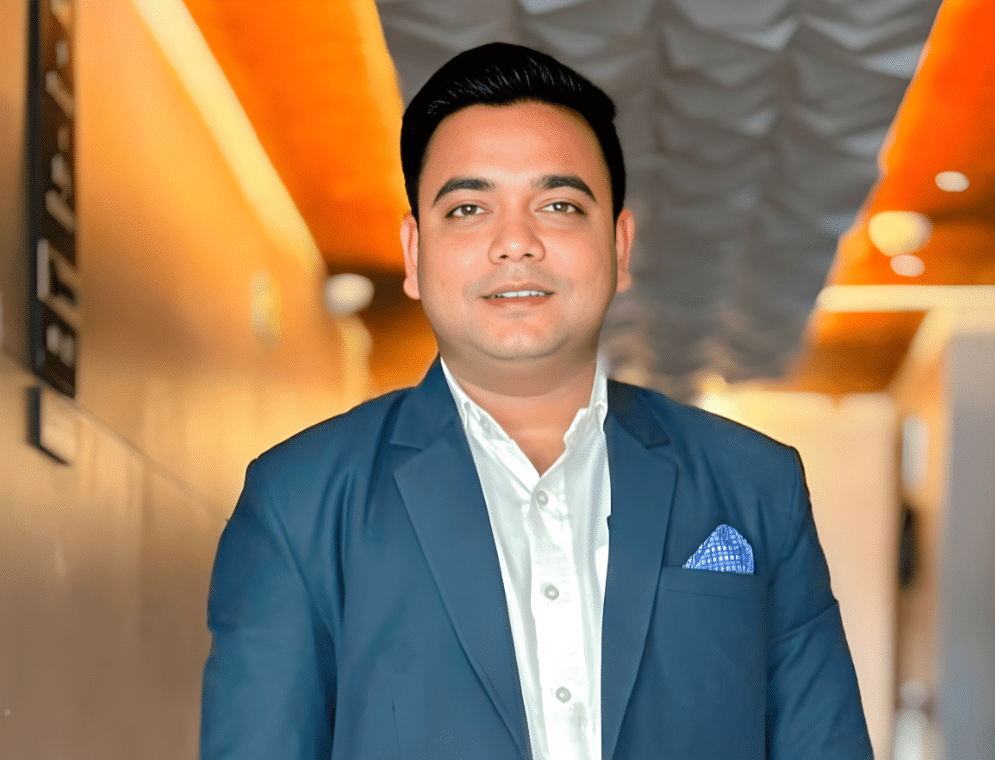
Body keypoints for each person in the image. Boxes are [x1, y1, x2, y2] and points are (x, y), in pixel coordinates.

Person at [200, 42, 872, 760]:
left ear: (619, 245)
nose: (515, 243)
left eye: (558, 205)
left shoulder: (754, 485)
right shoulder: (300, 502)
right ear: (414, 253)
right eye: (468, 208)